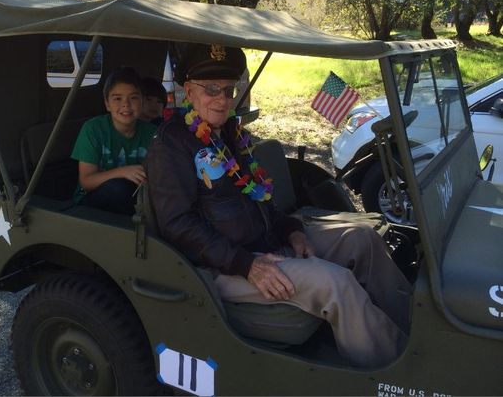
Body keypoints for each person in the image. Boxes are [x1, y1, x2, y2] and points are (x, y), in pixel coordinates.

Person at [145, 43, 413, 368]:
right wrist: (246, 264)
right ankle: (395, 370)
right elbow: (177, 224)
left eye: (229, 90)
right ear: (189, 90)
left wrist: (292, 231)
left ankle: (413, 335)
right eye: (211, 89)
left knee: (363, 238)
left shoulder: (230, 133)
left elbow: (259, 198)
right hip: (223, 265)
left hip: (269, 242)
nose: (222, 99)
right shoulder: (172, 144)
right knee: (336, 284)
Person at [71, 67, 156, 215]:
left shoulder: (152, 132)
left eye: (133, 98)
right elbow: (86, 181)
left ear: (142, 101)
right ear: (107, 104)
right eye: (117, 98)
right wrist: (123, 172)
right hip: (91, 201)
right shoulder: (93, 129)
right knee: (120, 189)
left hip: (139, 197)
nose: (126, 105)